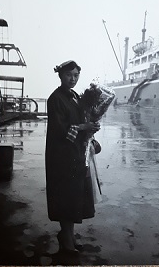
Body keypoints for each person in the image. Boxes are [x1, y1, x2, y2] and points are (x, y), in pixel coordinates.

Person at [45, 60, 100, 257]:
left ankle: (69, 236)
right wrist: (84, 128)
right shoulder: (55, 99)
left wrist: (91, 127)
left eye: (76, 75)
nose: (73, 79)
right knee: (65, 197)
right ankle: (67, 239)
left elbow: (82, 122)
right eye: (69, 75)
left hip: (76, 154)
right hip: (61, 156)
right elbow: (59, 131)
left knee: (74, 197)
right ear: (60, 76)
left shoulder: (76, 96)